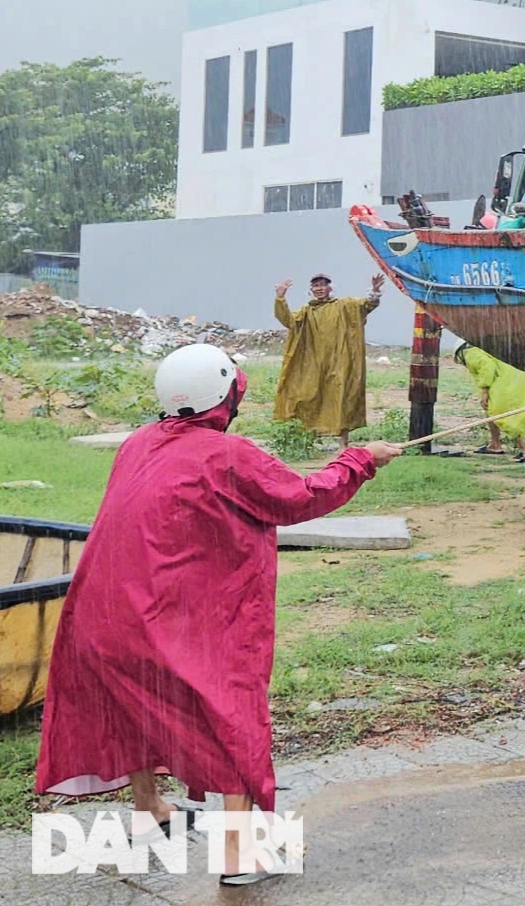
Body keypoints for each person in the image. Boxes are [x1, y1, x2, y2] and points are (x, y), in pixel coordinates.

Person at [36, 344, 400, 885]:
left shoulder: (138, 443)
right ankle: (239, 855)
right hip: (162, 621)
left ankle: (150, 810)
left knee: (133, 701)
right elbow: (300, 498)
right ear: (226, 396)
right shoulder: (227, 455)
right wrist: (361, 459)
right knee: (229, 714)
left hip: (99, 614)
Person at [272, 271, 383, 448]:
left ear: (330, 287)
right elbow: (289, 321)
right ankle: (310, 439)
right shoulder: (306, 312)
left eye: (322, 285)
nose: (319, 289)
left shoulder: (345, 305)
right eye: (316, 286)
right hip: (314, 362)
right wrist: (280, 298)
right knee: (306, 396)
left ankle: (343, 442)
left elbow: (367, 305)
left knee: (342, 397)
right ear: (311, 289)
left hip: (341, 361)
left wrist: (375, 290)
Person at [455, 342, 525, 463]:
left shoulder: (470, 353)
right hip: (517, 378)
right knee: (491, 411)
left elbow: (488, 366)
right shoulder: (486, 349)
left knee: (503, 415)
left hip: (505, 383)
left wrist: (485, 390)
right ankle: (495, 445)